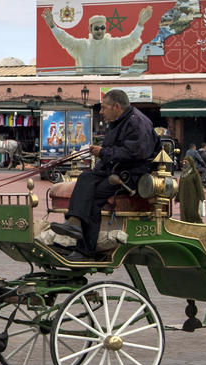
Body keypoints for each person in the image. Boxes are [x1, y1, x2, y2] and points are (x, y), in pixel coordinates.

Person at [50, 89, 158, 261]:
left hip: (131, 175)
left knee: (94, 195)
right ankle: (74, 223)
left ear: (116, 106)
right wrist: (98, 164)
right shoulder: (118, 121)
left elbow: (136, 153)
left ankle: (86, 250)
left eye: (103, 107)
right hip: (115, 169)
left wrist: (103, 152)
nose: (100, 112)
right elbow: (111, 153)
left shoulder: (137, 122)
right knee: (85, 178)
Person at [41, 5, 153, 73]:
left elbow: (131, 40)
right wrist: (52, 26)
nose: (100, 31)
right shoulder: (82, 46)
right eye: (97, 28)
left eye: (103, 28)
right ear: (90, 29)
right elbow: (65, 39)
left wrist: (140, 24)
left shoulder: (114, 44)